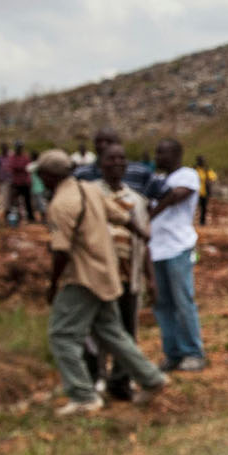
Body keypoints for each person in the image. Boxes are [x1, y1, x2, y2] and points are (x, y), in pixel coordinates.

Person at [38, 149, 168, 415]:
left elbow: (61, 251)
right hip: (107, 274)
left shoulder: (61, 204)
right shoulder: (90, 190)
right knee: (111, 333)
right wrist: (142, 233)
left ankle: (83, 395)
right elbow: (121, 215)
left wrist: (52, 285)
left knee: (62, 335)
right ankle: (151, 378)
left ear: (49, 176)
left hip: (83, 278)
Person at [87, 140, 151, 400]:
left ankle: (121, 382)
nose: (117, 164)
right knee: (98, 330)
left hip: (128, 277)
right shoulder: (91, 195)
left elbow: (144, 243)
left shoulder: (137, 201)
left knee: (127, 331)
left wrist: (151, 278)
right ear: (100, 164)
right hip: (99, 277)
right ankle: (96, 379)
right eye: (111, 159)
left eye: (122, 159)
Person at [146, 138, 205, 372]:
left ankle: (193, 352)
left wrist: (148, 215)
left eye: (162, 152)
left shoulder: (187, 175)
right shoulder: (159, 180)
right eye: (157, 151)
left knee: (183, 302)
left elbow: (175, 197)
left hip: (177, 249)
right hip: (155, 250)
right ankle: (172, 353)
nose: (157, 156)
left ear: (177, 154)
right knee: (162, 305)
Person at [6, 144, 36, 224]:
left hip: (25, 183)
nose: (18, 149)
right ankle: (14, 218)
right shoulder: (12, 157)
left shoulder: (25, 157)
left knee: (27, 202)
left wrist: (20, 168)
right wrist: (20, 168)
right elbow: (11, 167)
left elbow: (28, 168)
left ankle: (31, 218)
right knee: (13, 202)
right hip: (16, 183)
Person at [194, 155, 217, 225]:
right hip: (195, 192)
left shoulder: (207, 170)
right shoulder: (194, 169)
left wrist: (209, 183)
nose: (202, 162)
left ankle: (202, 222)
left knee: (203, 208)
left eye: (203, 161)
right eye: (201, 161)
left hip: (204, 192)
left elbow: (213, 178)